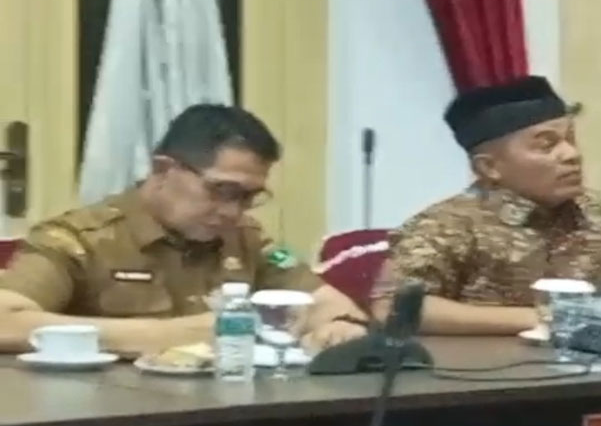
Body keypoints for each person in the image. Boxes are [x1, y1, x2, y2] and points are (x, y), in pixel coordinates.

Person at [371, 76, 601, 335]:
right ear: (489, 167)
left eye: (570, 140)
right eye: (547, 145)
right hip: (492, 391)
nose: (571, 155)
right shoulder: (447, 225)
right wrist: (544, 319)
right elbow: (394, 309)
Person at [0, 104, 365, 356]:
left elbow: (326, 302)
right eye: (222, 190)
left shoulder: (246, 238)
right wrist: (168, 336)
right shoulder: (77, 239)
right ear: (163, 170)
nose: (233, 211)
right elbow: (6, 322)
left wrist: (339, 328)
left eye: (249, 197)